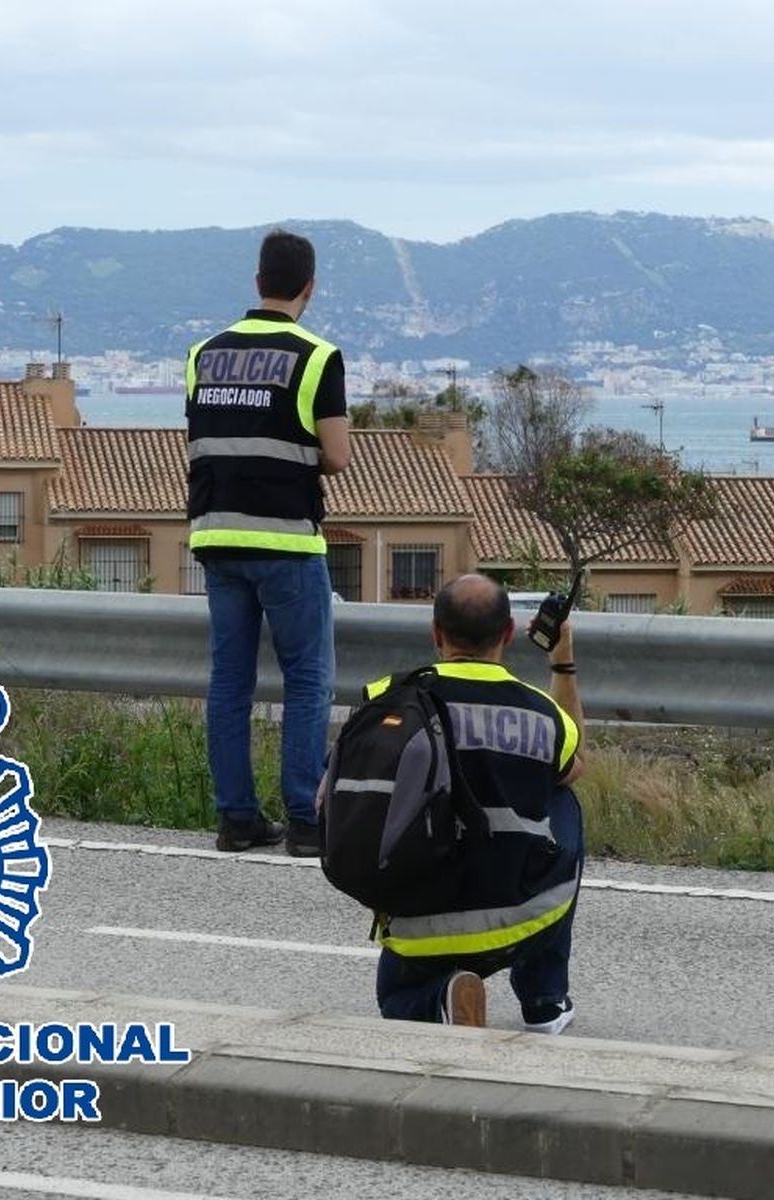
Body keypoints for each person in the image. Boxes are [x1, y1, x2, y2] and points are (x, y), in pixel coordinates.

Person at [186, 229, 352, 857]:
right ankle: (307, 821)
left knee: (228, 680)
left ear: (257, 283)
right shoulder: (317, 357)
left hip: (216, 534)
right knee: (308, 679)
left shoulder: (204, 353)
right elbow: (335, 456)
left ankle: (237, 819)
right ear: (309, 288)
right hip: (286, 539)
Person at [366, 574, 586, 1033]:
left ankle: (440, 998)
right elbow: (575, 761)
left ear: (435, 634)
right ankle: (544, 1000)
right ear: (507, 634)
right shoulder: (540, 713)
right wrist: (561, 662)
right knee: (562, 795)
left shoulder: (387, 699)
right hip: (518, 923)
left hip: (418, 926)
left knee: (397, 1000)